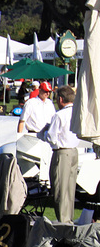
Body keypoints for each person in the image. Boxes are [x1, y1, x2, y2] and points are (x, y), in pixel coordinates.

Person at [40, 85, 78, 223]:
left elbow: (51, 137)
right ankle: (69, 218)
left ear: (61, 99)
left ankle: (63, 221)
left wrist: (43, 132)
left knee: (60, 188)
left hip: (62, 152)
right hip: (74, 151)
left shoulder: (59, 115)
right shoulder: (76, 112)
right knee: (70, 188)